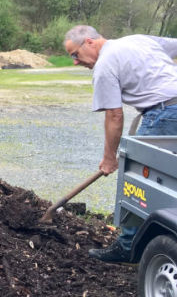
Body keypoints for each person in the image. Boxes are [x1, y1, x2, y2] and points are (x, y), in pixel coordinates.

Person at [64, 25, 177, 263]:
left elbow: (114, 115)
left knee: (138, 179)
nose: (75, 62)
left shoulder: (104, 65)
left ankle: (128, 246)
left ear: (90, 42)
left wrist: (109, 158)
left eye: (75, 54)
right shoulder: (138, 39)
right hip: (167, 108)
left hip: (164, 114)